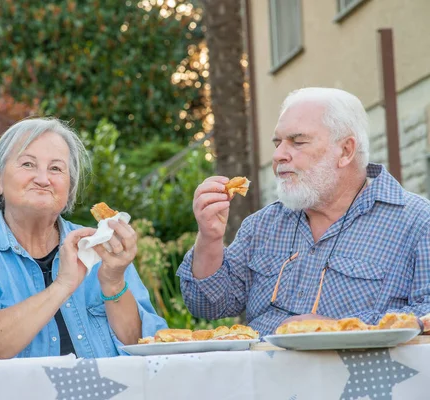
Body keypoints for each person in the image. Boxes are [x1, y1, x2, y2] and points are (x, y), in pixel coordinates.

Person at [177, 87, 430, 336]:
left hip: (355, 374)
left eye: (297, 142)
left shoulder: (417, 221)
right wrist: (209, 238)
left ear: (346, 151)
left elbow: (427, 312)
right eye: (278, 143)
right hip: (264, 374)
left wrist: (339, 329)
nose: (278, 156)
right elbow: (206, 305)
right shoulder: (262, 225)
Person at [0, 118, 167, 365]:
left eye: (56, 169)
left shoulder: (101, 248)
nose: (43, 179)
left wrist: (114, 281)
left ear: (69, 189)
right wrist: (62, 285)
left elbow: (144, 349)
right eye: (28, 164)